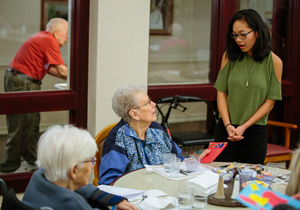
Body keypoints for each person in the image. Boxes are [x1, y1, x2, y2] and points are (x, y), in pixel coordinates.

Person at [98, 83, 211, 185]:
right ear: (134, 114)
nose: (154, 104)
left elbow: (177, 160)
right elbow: (109, 182)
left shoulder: (157, 130)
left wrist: (195, 161)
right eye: (147, 103)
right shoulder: (117, 139)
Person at [213, 9, 282, 164]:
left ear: (257, 32)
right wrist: (228, 125)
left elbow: (270, 102)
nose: (238, 40)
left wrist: (244, 126)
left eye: (243, 34)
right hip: (226, 129)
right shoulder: (229, 57)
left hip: (254, 131)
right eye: (235, 35)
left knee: (250, 182)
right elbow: (221, 93)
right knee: (220, 179)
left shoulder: (274, 62)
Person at [0, 18, 68, 174]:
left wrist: (66, 77)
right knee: (19, 124)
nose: (67, 37)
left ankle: (30, 161)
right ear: (57, 32)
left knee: (31, 123)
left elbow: (49, 68)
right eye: (66, 34)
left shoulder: (43, 39)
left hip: (24, 80)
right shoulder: (49, 41)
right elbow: (62, 70)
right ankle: (9, 168)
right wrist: (77, 78)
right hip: (22, 81)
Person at [22, 125, 138, 210]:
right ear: (73, 171)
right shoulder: (71, 204)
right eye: (91, 161)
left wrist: (111, 201)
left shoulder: (39, 176)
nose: (92, 166)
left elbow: (81, 188)